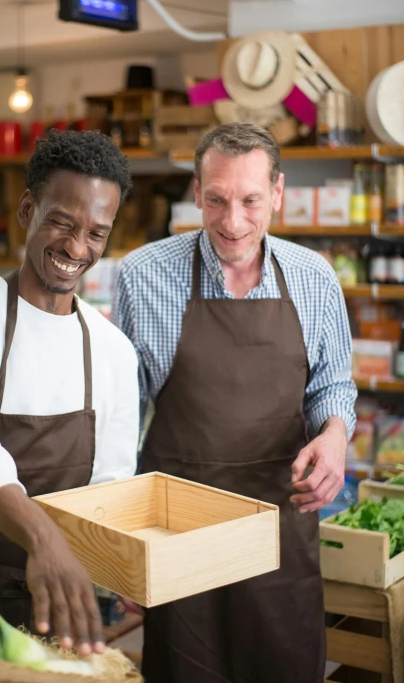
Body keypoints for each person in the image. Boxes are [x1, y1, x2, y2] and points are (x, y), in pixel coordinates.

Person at [112, 123, 357, 683]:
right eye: (216, 200)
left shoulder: (315, 278)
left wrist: (336, 435)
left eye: (250, 200)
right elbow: (122, 420)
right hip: (178, 538)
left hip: (279, 533)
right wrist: (122, 553)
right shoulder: (144, 276)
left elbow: (332, 386)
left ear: (276, 192)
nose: (232, 221)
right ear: (196, 193)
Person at [0, 130, 140, 657]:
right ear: (27, 209)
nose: (75, 248)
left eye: (96, 233)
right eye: (62, 222)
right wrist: (43, 539)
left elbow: (110, 486)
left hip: (63, 608)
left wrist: (128, 568)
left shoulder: (112, 350)